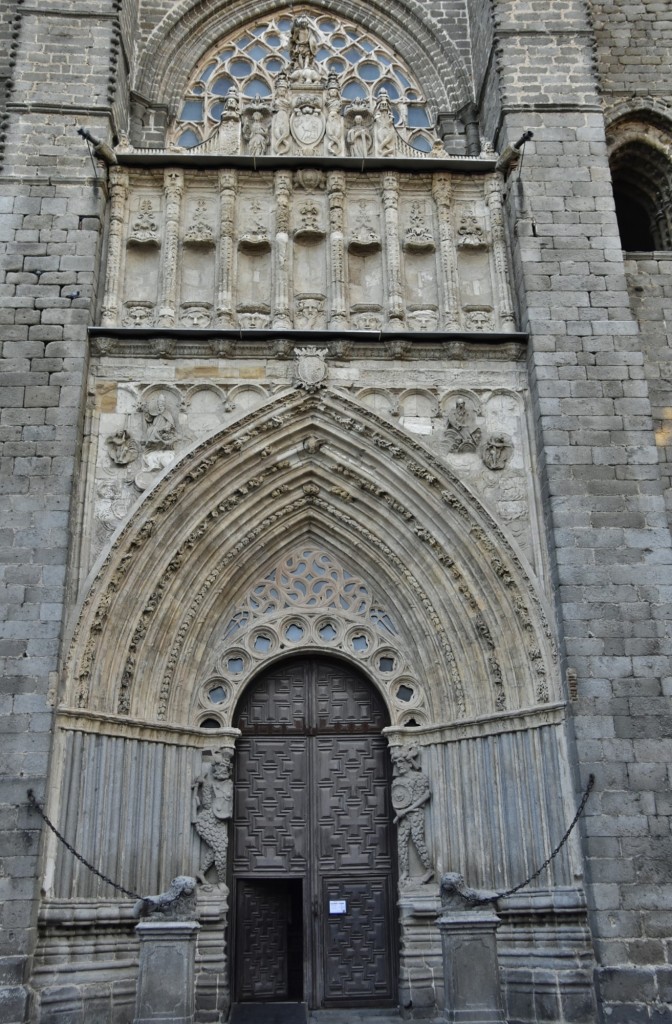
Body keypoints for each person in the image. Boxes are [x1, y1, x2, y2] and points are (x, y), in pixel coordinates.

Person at [391, 746, 434, 883]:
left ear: (409, 763)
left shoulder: (419, 777)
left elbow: (426, 795)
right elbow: (397, 800)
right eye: (397, 763)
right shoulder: (397, 781)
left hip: (415, 814)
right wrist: (398, 810)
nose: (399, 766)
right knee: (402, 842)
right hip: (403, 816)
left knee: (417, 839)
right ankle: (405, 872)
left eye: (401, 762)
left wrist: (408, 809)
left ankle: (429, 869)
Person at [192, 748, 234, 885]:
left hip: (221, 821)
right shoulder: (211, 784)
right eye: (219, 767)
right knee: (220, 849)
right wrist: (204, 785)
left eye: (224, 768)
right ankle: (221, 883)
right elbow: (207, 804)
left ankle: (201, 873)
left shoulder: (230, 784)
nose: (222, 770)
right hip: (207, 821)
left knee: (215, 849)